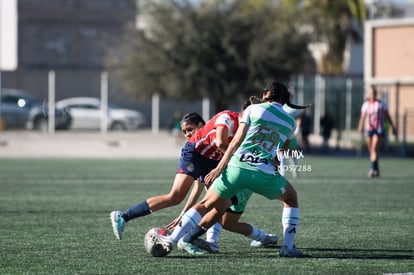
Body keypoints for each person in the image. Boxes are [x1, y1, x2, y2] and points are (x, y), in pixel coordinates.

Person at [155, 81, 309, 257]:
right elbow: (281, 151)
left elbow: (236, 141)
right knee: (290, 197)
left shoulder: (253, 109)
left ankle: (172, 240)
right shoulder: (290, 121)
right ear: (285, 100)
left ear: (265, 94)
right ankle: (288, 248)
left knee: (206, 204)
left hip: (237, 168)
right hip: (264, 173)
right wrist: (274, 161)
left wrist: (220, 168)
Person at [110, 100, 277, 252]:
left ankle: (200, 241)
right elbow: (220, 143)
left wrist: (184, 214)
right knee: (175, 196)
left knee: (219, 205)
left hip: (212, 161)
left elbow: (198, 186)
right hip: (195, 153)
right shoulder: (226, 117)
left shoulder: (247, 131)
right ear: (245, 113)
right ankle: (123, 215)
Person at [357, 86, 396, 177]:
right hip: (369, 129)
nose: (372, 95)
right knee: (372, 150)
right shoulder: (366, 104)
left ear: (376, 93)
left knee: (374, 149)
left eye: (374, 93)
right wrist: (360, 126)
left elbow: (388, 116)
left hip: (379, 129)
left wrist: (392, 127)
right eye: (371, 93)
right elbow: (363, 117)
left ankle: (372, 169)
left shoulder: (381, 104)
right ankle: (376, 169)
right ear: (368, 94)